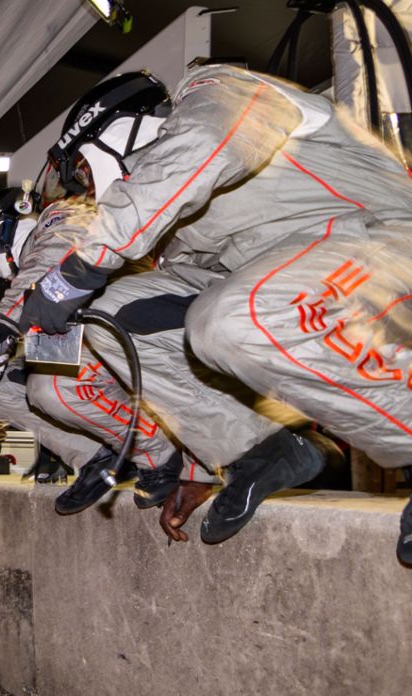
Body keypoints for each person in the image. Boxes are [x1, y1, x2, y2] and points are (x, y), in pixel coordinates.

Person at [24, 66, 411, 554]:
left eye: (82, 169)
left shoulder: (213, 91)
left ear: (111, 133)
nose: (86, 187)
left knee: (233, 315)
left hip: (383, 236)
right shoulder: (179, 222)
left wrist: (79, 269)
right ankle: (258, 451)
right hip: (291, 268)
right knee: (113, 316)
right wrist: (197, 468)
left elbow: (206, 139)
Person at [0, 188, 218, 519]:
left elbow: (55, 254)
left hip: (143, 334)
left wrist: (7, 323)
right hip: (108, 345)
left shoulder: (62, 217)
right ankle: (100, 456)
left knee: (50, 386)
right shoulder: (34, 264)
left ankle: (159, 454)